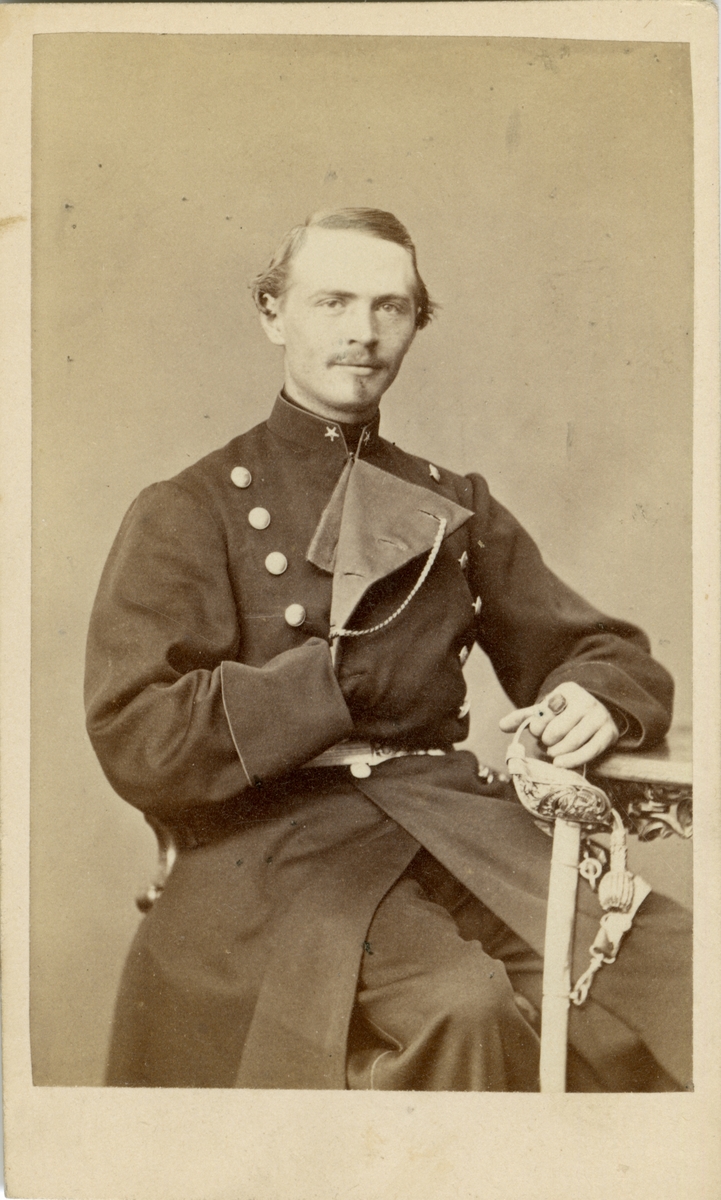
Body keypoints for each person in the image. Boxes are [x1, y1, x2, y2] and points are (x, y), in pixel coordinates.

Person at [85, 208, 691, 1092]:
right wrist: (327, 686)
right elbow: (136, 733)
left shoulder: (453, 505)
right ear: (272, 314)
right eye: (332, 302)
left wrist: (592, 695)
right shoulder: (191, 507)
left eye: (390, 307)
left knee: (672, 974)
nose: (363, 333)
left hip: (451, 827)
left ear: (414, 322)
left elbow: (602, 649)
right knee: (461, 1009)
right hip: (274, 852)